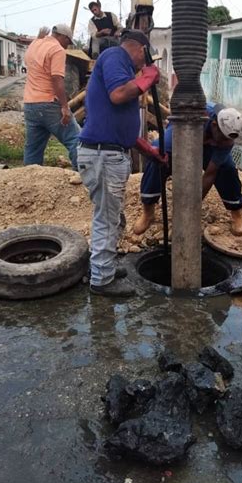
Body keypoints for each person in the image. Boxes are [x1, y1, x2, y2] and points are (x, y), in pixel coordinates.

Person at [77, 29, 163, 298]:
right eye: (145, 58)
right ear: (139, 49)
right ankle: (102, 280)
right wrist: (148, 77)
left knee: (110, 217)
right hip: (103, 156)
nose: (143, 64)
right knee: (108, 219)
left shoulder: (120, 66)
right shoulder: (115, 56)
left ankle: (103, 267)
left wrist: (150, 151)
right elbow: (118, 95)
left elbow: (119, 128)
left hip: (107, 153)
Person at [133, 103, 242, 237]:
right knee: (158, 155)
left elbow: (210, 174)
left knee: (227, 167)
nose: (224, 143)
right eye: (222, 138)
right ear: (214, 125)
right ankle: (148, 212)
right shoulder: (198, 114)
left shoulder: (226, 138)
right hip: (182, 132)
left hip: (207, 145)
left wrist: (193, 205)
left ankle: (236, 210)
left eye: (228, 140)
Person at [23, 23, 80, 170]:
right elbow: (57, 79)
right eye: (68, 41)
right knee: (76, 139)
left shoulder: (34, 44)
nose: (67, 46)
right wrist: (65, 106)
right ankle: (84, 175)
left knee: (33, 148)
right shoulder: (57, 50)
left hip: (30, 104)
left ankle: (29, 180)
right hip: (48, 103)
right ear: (63, 36)